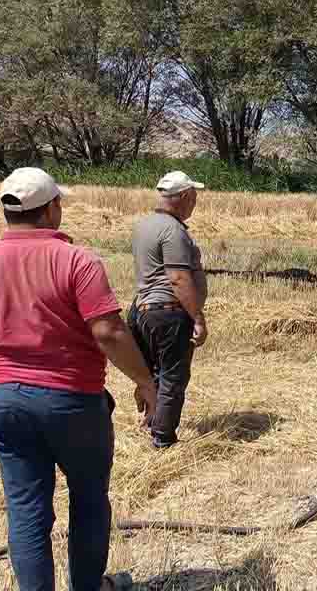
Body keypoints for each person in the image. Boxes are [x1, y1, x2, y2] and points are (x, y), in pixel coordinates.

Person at [0, 167, 157, 591]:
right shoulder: (77, 261)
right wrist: (145, 381)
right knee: (90, 501)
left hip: (5, 403)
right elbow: (109, 332)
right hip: (72, 401)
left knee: (26, 511)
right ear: (51, 209)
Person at [128, 171, 208, 449]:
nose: (195, 202)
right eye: (195, 196)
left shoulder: (144, 225)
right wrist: (197, 317)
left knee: (153, 372)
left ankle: (151, 420)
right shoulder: (173, 231)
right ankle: (163, 440)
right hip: (168, 312)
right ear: (185, 196)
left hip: (142, 310)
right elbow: (177, 279)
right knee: (173, 376)